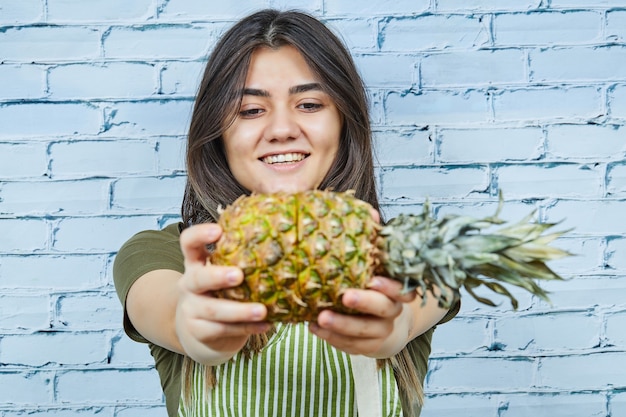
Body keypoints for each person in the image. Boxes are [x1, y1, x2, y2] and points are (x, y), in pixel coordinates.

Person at [113, 9, 459, 417]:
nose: (281, 129)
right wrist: (196, 328)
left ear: (344, 122)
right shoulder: (160, 254)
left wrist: (395, 324)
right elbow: (172, 313)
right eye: (251, 110)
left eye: (310, 104)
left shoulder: (410, 245)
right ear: (218, 133)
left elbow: (422, 291)